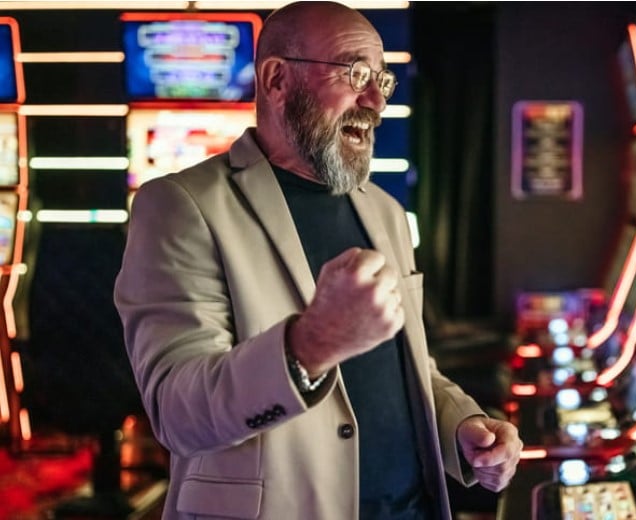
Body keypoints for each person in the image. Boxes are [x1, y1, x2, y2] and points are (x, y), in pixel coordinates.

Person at [113, 2, 522, 519]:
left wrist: (463, 426)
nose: (374, 101)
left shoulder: (386, 211)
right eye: (355, 74)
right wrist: (311, 344)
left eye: (383, 81)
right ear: (277, 78)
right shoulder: (179, 205)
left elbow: (407, 367)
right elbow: (178, 413)